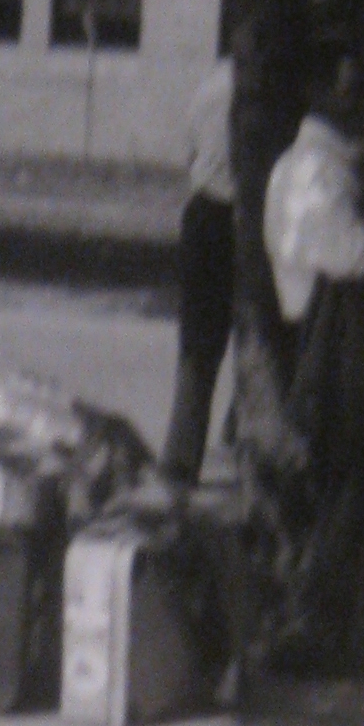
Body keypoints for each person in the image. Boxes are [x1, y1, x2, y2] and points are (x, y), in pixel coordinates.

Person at [263, 5, 364, 674]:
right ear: (314, 90)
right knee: (346, 490)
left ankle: (354, 632)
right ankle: (316, 627)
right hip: (328, 348)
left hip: (355, 343)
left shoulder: (344, 162)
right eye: (345, 86)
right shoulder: (310, 168)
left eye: (360, 87)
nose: (357, 99)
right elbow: (342, 250)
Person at [160, 57, 236, 482]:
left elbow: (190, 153)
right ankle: (238, 439)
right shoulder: (264, 93)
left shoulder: (210, 86)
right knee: (258, 334)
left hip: (204, 211)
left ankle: (181, 454)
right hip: (239, 215)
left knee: (198, 342)